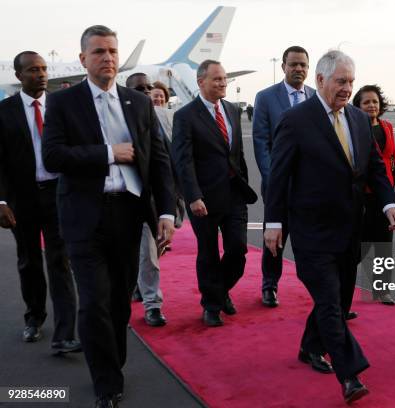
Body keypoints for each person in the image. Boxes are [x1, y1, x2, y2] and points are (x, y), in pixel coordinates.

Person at [42, 25, 176, 408]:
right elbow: (53, 157)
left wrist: (165, 211)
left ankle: (112, 361)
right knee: (95, 300)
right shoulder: (64, 103)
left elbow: (159, 161)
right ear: (83, 59)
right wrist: (106, 153)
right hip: (84, 217)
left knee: (118, 301)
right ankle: (106, 382)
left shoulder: (138, 102)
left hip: (128, 213)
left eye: (113, 51)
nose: (108, 58)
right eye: (99, 52)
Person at [264, 50, 395, 404]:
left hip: (348, 230)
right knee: (328, 303)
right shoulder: (296, 120)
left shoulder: (357, 118)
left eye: (351, 82)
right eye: (341, 81)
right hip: (311, 232)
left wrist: (388, 203)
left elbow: (373, 166)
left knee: (338, 304)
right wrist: (274, 223)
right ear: (321, 80)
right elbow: (278, 177)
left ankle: (310, 347)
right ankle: (350, 375)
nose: (347, 88)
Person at [0, 51, 80, 353]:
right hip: (22, 198)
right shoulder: (5, 111)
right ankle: (34, 317)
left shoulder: (61, 107)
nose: (42, 74)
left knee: (60, 261)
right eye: (34, 70)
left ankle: (65, 333)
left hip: (59, 195)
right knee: (29, 260)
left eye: (44, 69)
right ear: (19, 76)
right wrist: (1, 201)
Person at [172, 59, 257, 328]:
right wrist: (193, 196)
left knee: (238, 249)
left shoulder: (232, 110)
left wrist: (242, 181)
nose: (223, 83)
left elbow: (237, 153)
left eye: (225, 79)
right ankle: (212, 305)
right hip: (204, 198)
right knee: (208, 253)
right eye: (217, 79)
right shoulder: (185, 116)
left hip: (234, 194)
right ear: (201, 82)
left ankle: (218, 292)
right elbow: (183, 160)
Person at [253, 46, 316, 307]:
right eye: (294, 64)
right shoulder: (266, 97)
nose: (299, 69)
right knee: (275, 238)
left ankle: (316, 287)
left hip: (310, 188)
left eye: (303, 65)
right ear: (283, 67)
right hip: (279, 186)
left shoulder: (315, 96)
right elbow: (260, 141)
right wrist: (274, 179)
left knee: (312, 240)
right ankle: (270, 284)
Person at [353, 84, 395, 305]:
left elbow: (394, 159)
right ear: (357, 106)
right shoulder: (354, 127)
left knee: (385, 244)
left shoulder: (385, 127)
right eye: (366, 102)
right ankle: (339, 281)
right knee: (361, 244)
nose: (371, 105)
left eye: (374, 101)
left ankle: (382, 290)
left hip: (384, 196)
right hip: (362, 194)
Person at [125, 72, 167, 327]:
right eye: (140, 88)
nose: (146, 92)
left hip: (152, 198)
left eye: (148, 87)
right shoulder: (118, 117)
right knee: (141, 253)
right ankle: (149, 299)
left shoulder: (161, 116)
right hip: (122, 199)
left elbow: (167, 159)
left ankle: (149, 298)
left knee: (151, 252)